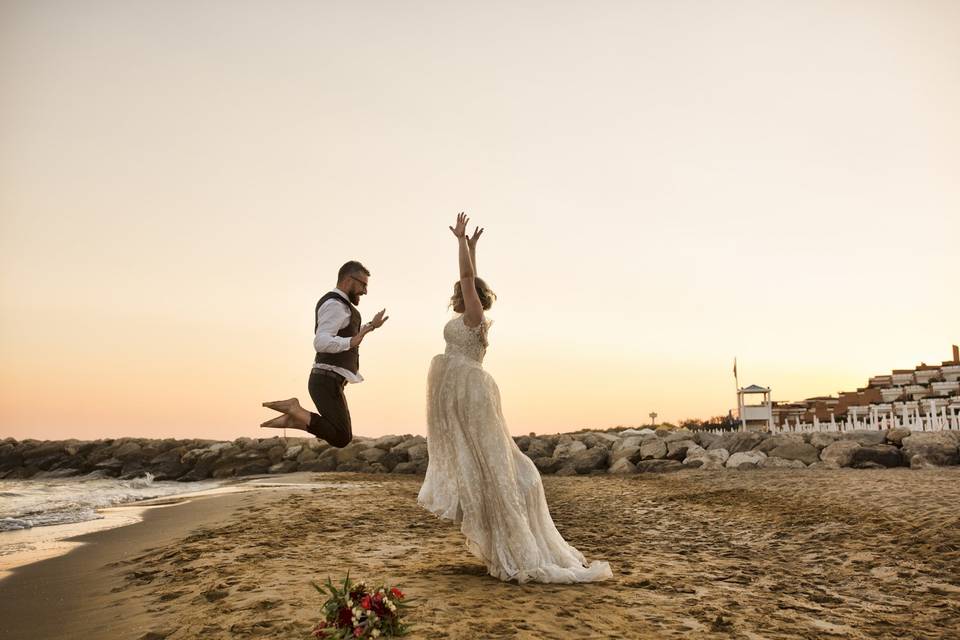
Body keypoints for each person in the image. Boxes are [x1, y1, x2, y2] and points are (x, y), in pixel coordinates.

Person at [417, 213, 613, 583]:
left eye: (464, 291)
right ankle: (496, 534)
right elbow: (468, 279)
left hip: (471, 393)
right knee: (475, 462)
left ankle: (517, 543)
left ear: (472, 295)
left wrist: (460, 242)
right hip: (457, 392)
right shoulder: (468, 317)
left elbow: (466, 279)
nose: (458, 294)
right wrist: (473, 248)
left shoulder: (475, 317)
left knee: (495, 464)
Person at [261, 260, 388, 447]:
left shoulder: (343, 307)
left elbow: (347, 333)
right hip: (325, 379)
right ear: (348, 280)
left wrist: (369, 327)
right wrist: (353, 340)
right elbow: (321, 341)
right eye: (363, 284)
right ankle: (294, 410)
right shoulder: (334, 305)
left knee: (341, 435)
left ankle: (296, 420)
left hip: (330, 380)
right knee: (342, 437)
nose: (365, 291)